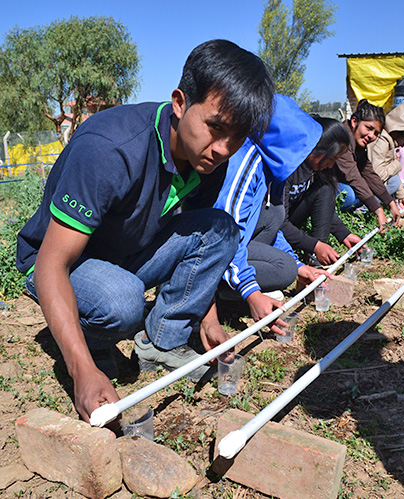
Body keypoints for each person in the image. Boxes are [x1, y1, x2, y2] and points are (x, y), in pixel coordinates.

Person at [15, 39, 275, 422]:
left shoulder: (207, 161)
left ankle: (163, 342)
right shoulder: (111, 149)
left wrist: (209, 319)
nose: (223, 148)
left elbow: (202, 239)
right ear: (180, 102)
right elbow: (52, 261)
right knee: (122, 301)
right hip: (61, 261)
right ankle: (88, 341)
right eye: (215, 127)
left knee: (220, 228)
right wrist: (81, 371)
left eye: (236, 137)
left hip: (124, 251)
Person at [188, 94, 331, 335]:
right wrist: (251, 292)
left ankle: (230, 283)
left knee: (286, 264)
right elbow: (224, 234)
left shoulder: (271, 169)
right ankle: (220, 289)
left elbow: (270, 225)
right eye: (299, 147)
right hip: (207, 246)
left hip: (235, 243)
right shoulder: (247, 164)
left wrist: (299, 266)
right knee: (283, 269)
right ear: (283, 141)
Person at [279, 116, 366, 267]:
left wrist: (343, 233)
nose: (331, 165)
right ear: (317, 148)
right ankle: (315, 252)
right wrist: (315, 245)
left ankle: (315, 259)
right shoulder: (287, 168)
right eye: (331, 158)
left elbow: (322, 206)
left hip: (289, 222)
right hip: (275, 227)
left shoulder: (313, 170)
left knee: (326, 188)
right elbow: (279, 222)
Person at [335, 100, 401, 231]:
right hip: (320, 187)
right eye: (369, 128)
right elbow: (353, 176)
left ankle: (363, 207)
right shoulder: (341, 138)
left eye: (376, 133)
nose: (371, 135)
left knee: (392, 182)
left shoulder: (358, 143)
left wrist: (390, 203)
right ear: (354, 121)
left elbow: (368, 172)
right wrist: (378, 210)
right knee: (348, 194)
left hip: (341, 184)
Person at [367, 103, 404, 209]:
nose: (403, 144)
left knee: (396, 181)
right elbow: (378, 175)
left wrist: (401, 195)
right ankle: (364, 208)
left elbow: (392, 173)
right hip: (366, 186)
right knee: (397, 182)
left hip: (372, 184)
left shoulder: (388, 140)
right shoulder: (381, 142)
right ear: (397, 132)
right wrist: (396, 164)